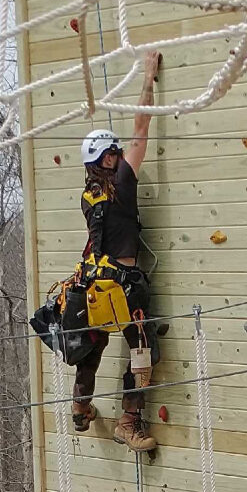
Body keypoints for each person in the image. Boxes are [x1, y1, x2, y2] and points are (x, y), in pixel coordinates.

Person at [73, 50, 163, 453]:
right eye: (113, 152)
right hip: (125, 285)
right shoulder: (123, 181)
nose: (119, 155)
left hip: (95, 282)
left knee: (92, 344)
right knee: (142, 350)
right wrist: (148, 77)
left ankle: (80, 408)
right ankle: (129, 422)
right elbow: (141, 129)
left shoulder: (87, 195)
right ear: (106, 159)